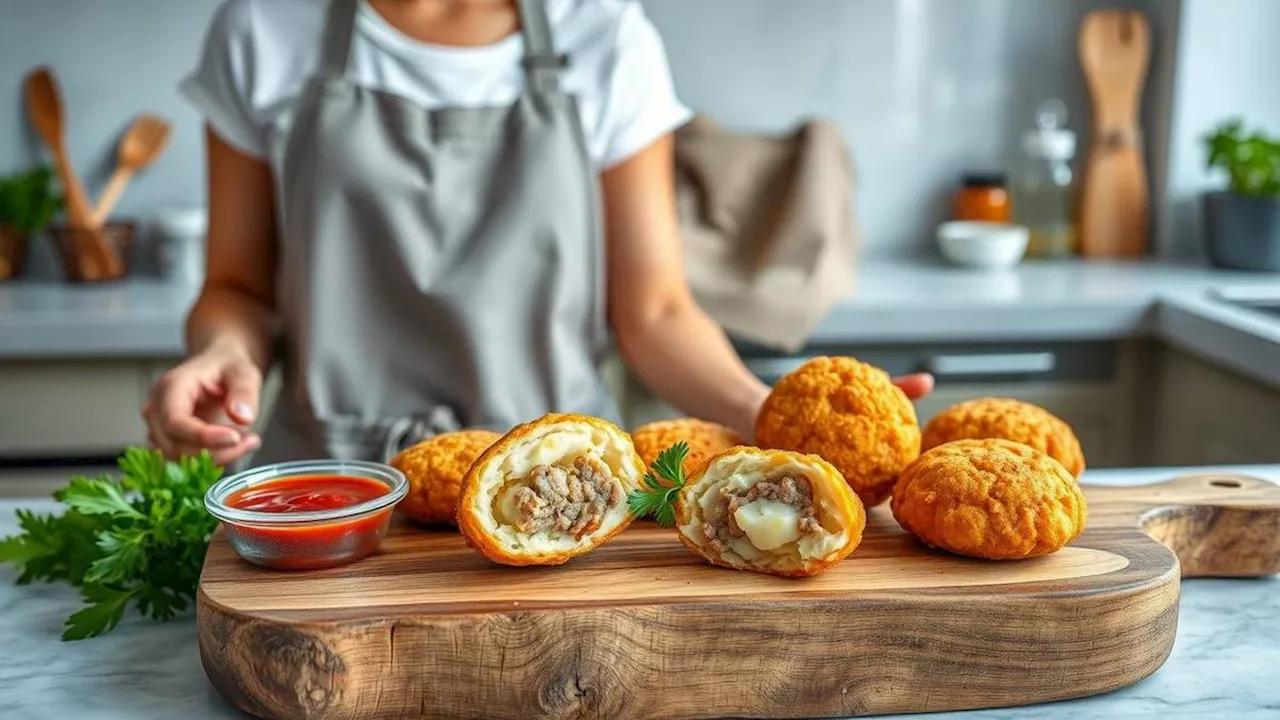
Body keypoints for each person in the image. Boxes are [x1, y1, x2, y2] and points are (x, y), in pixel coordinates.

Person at [142, 0, 933, 467]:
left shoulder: (602, 33)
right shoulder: (265, 26)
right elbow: (237, 289)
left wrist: (772, 413)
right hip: (335, 489)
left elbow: (653, 312)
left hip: (564, 474)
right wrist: (222, 355)